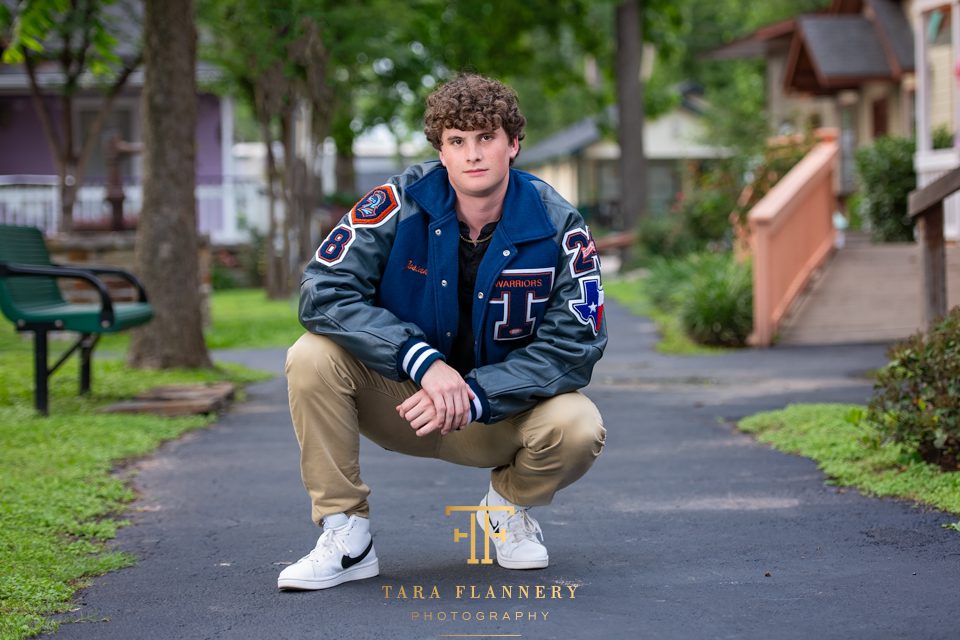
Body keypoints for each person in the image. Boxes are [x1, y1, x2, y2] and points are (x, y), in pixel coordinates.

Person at [278, 73, 607, 591]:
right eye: (457, 141)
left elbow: (576, 345)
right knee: (311, 354)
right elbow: (322, 290)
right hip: (402, 402)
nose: (472, 154)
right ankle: (347, 537)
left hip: (494, 415)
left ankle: (506, 509)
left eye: (486, 138)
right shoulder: (397, 201)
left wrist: (476, 392)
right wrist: (421, 361)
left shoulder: (559, 224)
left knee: (578, 425)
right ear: (441, 150)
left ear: (513, 144)